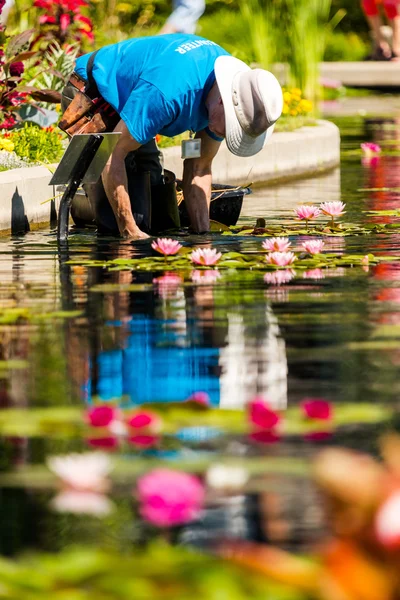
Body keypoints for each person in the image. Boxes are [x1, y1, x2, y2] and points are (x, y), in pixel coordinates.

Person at [61, 34, 283, 240]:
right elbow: (112, 155)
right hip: (95, 94)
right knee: (119, 225)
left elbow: (199, 168)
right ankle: (88, 204)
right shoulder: (168, 94)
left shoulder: (230, 92)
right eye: (232, 128)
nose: (226, 135)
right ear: (222, 102)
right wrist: (128, 229)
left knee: (161, 214)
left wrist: (202, 238)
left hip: (139, 99)